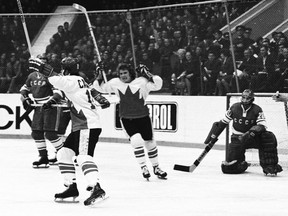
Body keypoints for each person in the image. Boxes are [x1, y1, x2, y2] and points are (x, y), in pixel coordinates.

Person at [28, 56, 110, 206]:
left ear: (65, 70)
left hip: (86, 125)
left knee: (83, 157)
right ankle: (71, 187)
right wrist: (51, 101)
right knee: (63, 153)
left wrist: (42, 67)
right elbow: (87, 91)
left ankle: (96, 187)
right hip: (84, 125)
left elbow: (56, 80)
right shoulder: (79, 80)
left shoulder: (71, 80)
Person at [93, 63, 167, 180]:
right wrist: (99, 74)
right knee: (136, 140)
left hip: (143, 117)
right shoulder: (115, 83)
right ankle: (143, 167)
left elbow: (158, 85)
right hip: (127, 118)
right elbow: (99, 87)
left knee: (150, 142)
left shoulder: (142, 81)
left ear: (131, 73)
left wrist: (147, 74)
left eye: (125, 73)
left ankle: (156, 167)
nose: (123, 76)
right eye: (121, 73)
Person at [205, 89, 282, 175]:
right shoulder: (234, 107)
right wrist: (213, 135)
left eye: (248, 98)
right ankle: (241, 165)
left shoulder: (257, 109)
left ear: (252, 99)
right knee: (229, 168)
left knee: (268, 137)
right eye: (243, 98)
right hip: (237, 139)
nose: (245, 100)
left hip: (252, 137)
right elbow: (223, 122)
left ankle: (270, 166)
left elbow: (262, 126)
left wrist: (251, 133)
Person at [20, 55, 66, 168]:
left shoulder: (51, 77)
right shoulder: (31, 76)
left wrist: (51, 101)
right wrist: (26, 98)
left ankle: (64, 155)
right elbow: (24, 89)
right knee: (36, 133)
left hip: (51, 107)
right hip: (37, 106)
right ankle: (43, 157)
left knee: (50, 134)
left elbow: (59, 92)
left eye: (44, 63)